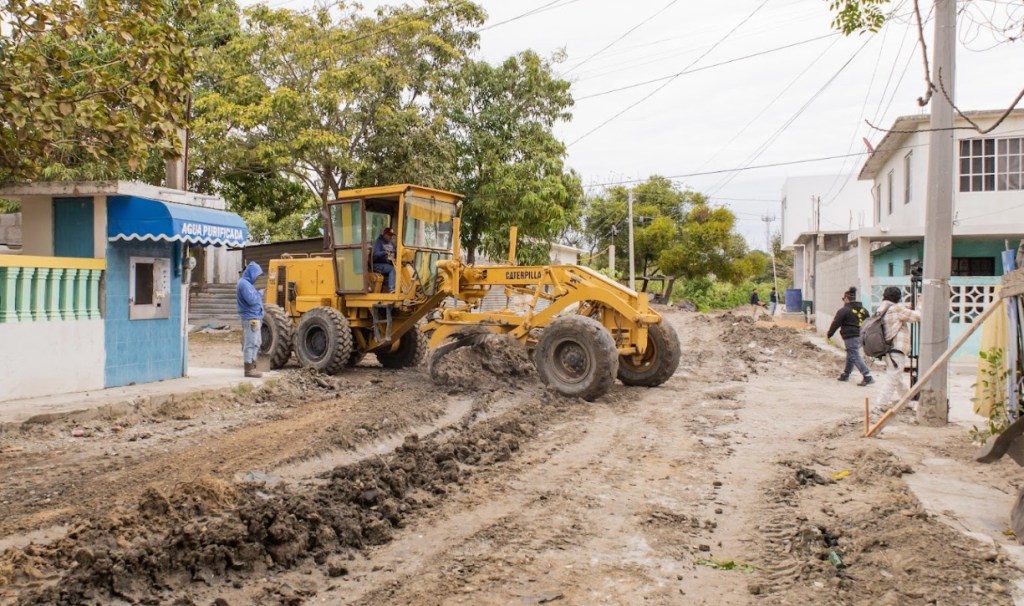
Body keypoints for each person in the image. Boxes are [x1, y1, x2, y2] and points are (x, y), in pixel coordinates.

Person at [873, 286, 921, 410]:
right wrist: (920, 305)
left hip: (887, 349)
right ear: (898, 297)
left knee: (897, 378)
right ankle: (880, 405)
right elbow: (917, 317)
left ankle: (907, 401)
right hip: (897, 348)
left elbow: (899, 315)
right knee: (892, 378)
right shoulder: (896, 308)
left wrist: (906, 309)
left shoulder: (882, 308)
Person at [827, 286, 873, 386]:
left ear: (846, 299)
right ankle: (846, 374)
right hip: (861, 336)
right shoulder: (864, 310)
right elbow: (869, 323)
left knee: (854, 355)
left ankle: (867, 375)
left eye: (843, 299)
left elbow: (836, 323)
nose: (843, 301)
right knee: (851, 354)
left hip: (851, 335)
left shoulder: (844, 310)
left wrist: (829, 334)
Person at [236, 261, 264, 378]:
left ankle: (253, 366)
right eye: (256, 275)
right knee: (250, 343)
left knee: (256, 343)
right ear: (251, 273)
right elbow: (252, 300)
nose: (257, 278)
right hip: (251, 318)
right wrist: (260, 294)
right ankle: (248, 370)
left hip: (255, 317)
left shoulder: (247, 284)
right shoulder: (244, 284)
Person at [372, 227, 396, 293]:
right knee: (392, 269)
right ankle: (392, 290)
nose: (391, 237)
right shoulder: (379, 242)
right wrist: (384, 252)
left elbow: (394, 251)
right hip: (377, 264)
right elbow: (375, 254)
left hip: (387, 263)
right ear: (384, 234)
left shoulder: (391, 243)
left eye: (392, 235)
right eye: (389, 235)